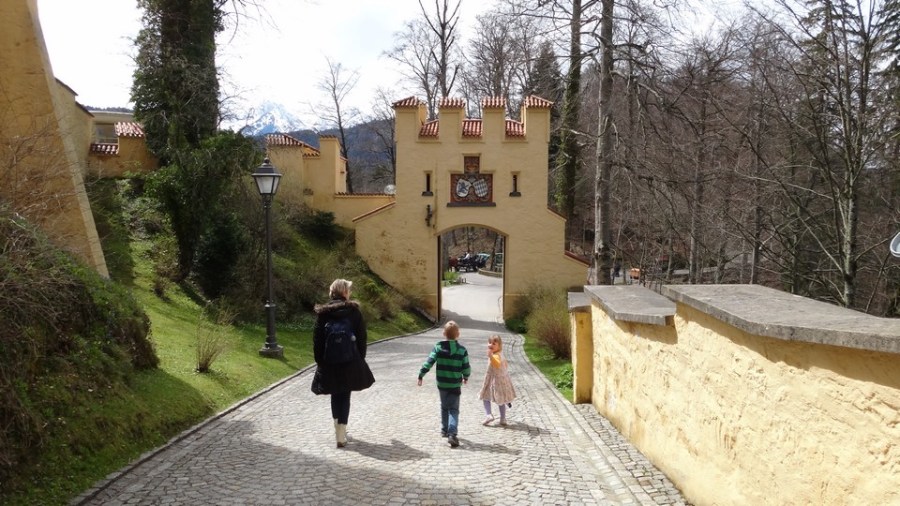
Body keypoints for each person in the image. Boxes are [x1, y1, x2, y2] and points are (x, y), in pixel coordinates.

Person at [310, 279, 375, 448]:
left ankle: (337, 429)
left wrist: (320, 361)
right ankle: (341, 434)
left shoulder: (324, 313)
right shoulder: (353, 312)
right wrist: (360, 358)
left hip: (330, 362)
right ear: (344, 292)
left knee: (335, 394)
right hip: (350, 361)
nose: (350, 293)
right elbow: (362, 338)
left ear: (332, 292)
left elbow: (317, 340)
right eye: (349, 290)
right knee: (345, 395)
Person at [417, 320, 471, 448]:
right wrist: (466, 376)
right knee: (454, 409)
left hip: (442, 384)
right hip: (455, 384)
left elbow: (429, 362)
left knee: (444, 406)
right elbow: (466, 367)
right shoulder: (462, 350)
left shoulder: (438, 347)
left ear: (444, 334)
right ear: (458, 334)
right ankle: (452, 433)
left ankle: (444, 429)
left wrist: (421, 374)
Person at [478, 335, 517, 426]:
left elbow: (497, 364)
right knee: (501, 400)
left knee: (485, 396)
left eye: (494, 343)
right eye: (489, 342)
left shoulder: (495, 355)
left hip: (494, 380)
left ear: (499, 346)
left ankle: (489, 415)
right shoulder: (500, 353)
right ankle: (502, 419)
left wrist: (491, 356)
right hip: (500, 379)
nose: (491, 345)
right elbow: (505, 364)